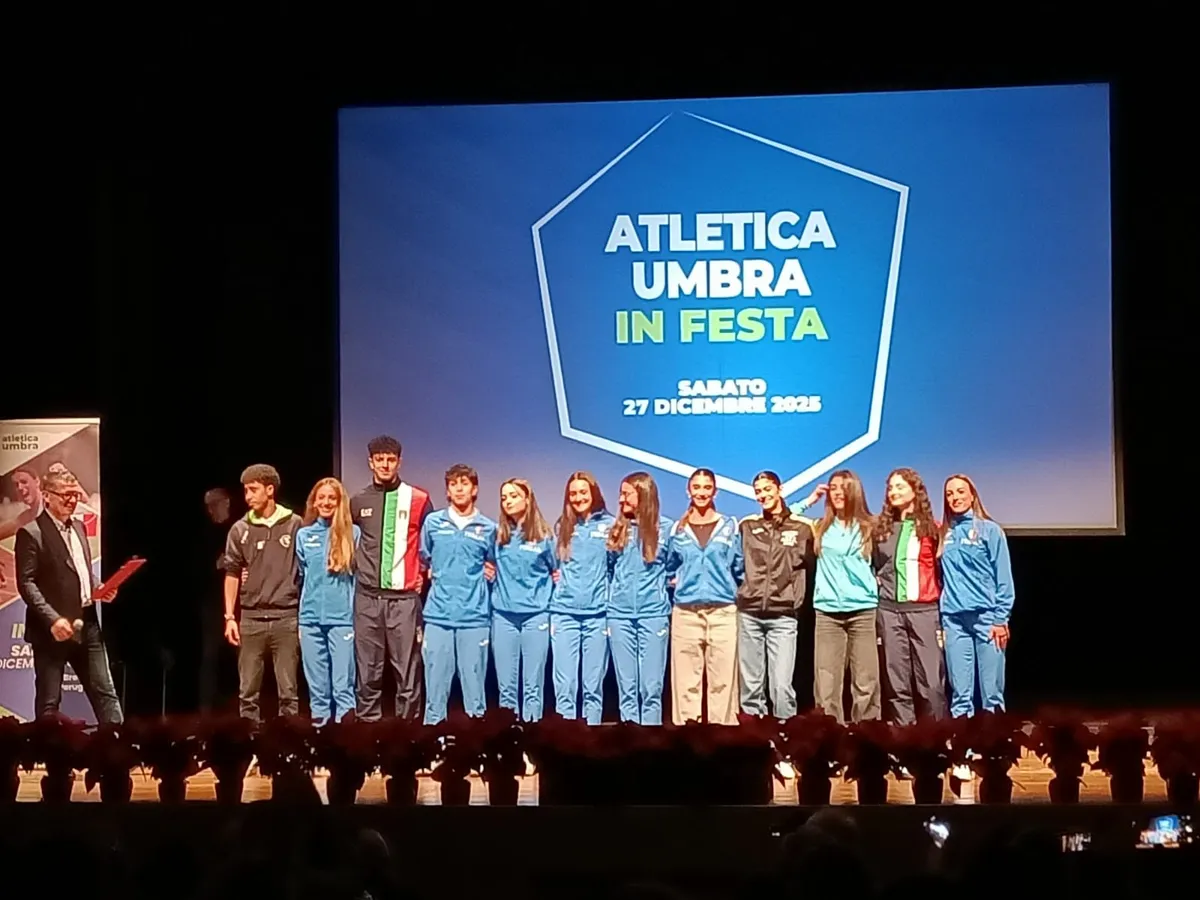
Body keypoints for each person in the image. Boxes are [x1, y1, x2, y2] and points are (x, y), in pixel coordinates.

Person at [14, 469, 122, 722]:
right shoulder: (31, 532)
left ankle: (119, 747)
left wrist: (98, 587)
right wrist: (52, 619)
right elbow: (26, 583)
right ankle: (49, 755)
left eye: (75, 495)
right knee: (49, 701)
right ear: (47, 496)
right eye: (65, 496)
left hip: (88, 624)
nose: (72, 501)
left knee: (105, 691)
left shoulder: (79, 527)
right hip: (52, 628)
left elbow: (80, 567)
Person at [349, 435, 433, 721]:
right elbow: (340, 541)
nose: (385, 464)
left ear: (399, 462)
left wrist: (423, 573)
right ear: (370, 462)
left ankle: (406, 741)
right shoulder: (358, 501)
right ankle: (368, 741)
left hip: (404, 600)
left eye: (391, 459)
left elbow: (432, 542)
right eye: (380, 459)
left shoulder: (419, 499)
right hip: (367, 597)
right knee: (368, 673)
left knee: (407, 673)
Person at [793, 471, 880, 724]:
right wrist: (810, 499)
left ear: (854, 491)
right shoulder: (819, 526)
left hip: (862, 611)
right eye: (833, 488)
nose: (838, 493)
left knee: (866, 682)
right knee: (826, 683)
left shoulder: (869, 527)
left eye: (843, 487)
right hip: (827, 613)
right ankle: (830, 740)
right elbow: (786, 516)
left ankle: (866, 738)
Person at [222, 464, 303, 721]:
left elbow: (306, 569)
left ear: (270, 490)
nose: (248, 496)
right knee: (247, 692)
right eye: (246, 491)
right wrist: (229, 617)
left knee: (288, 691)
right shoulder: (239, 529)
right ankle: (251, 747)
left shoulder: (295, 524)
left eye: (254, 490)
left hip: (286, 617)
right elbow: (232, 573)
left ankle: (288, 747)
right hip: (251, 618)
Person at [418, 464, 496, 724]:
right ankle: (433, 751)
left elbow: (494, 564)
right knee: (435, 692)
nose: (459, 488)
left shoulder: (488, 528)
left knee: (475, 693)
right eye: (453, 484)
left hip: (474, 618)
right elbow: (424, 559)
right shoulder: (433, 522)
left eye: (464, 483)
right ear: (448, 491)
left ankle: (477, 756)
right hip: (438, 617)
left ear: (474, 489)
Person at [735, 471, 815, 723]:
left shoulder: (803, 528)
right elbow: (736, 564)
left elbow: (810, 566)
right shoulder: (747, 526)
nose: (763, 495)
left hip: (784, 616)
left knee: (781, 687)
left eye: (767, 489)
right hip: (749, 614)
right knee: (751, 689)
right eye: (758, 491)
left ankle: (786, 742)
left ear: (779, 490)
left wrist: (795, 600)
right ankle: (754, 743)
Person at [871, 468, 946, 725]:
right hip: (889, 611)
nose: (893, 492)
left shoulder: (934, 530)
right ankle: (905, 740)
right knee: (896, 680)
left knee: (931, 682)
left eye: (900, 487)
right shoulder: (881, 530)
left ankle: (937, 739)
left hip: (924, 611)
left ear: (915, 491)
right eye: (890, 487)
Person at [667, 468, 741, 725]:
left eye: (706, 488)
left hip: (723, 612)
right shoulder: (678, 529)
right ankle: (688, 748)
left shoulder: (730, 526)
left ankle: (724, 747)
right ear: (688, 491)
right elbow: (668, 566)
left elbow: (739, 567)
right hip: (686, 613)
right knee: (687, 685)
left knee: (723, 685)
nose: (701, 492)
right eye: (696, 487)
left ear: (715, 492)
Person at [939, 474, 1014, 719]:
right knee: (961, 695)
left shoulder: (990, 531)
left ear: (972, 495)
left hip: (987, 618)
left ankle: (995, 750)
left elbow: (1004, 577)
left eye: (961, 492)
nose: (955, 497)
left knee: (992, 694)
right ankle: (965, 751)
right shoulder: (943, 533)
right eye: (950, 494)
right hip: (954, 620)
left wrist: (1001, 618)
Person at [606, 472, 673, 725]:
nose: (621, 499)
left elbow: (675, 565)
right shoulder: (616, 530)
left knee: (651, 688)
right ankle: (629, 746)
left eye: (626, 494)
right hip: (620, 616)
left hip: (653, 615)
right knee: (627, 688)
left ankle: (651, 746)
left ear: (643, 495)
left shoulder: (666, 529)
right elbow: (609, 568)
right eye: (621, 494)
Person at [550, 471, 615, 724]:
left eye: (583, 492)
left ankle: (591, 744)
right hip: (564, 613)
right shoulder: (562, 526)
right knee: (564, 685)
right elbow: (553, 564)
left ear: (594, 494)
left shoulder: (610, 525)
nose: (578, 498)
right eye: (573, 493)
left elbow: (615, 566)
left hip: (598, 615)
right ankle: (564, 745)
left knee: (593, 686)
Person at [489, 478, 555, 722]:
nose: (507, 501)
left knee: (532, 687)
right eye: (504, 497)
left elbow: (556, 571)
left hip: (535, 616)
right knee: (506, 687)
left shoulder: (545, 537)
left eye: (513, 496)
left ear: (528, 499)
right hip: (504, 617)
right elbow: (487, 565)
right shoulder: (497, 536)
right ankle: (509, 743)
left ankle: (532, 744)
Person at [296, 478, 360, 724]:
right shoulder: (304, 535)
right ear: (313, 501)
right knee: (317, 688)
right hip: (310, 620)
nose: (325, 502)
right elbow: (301, 574)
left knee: (343, 686)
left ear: (339, 502)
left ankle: (346, 744)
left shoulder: (353, 534)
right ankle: (320, 741)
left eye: (331, 498)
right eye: (320, 497)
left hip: (342, 619)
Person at [199, 487, 238, 713]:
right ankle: (205, 711)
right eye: (208, 506)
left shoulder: (238, 529)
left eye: (215, 504)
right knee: (209, 656)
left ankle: (244, 709)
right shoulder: (204, 535)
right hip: (213, 603)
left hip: (239, 604)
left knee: (244, 658)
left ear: (227, 503)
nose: (211, 510)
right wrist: (216, 565)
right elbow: (194, 570)